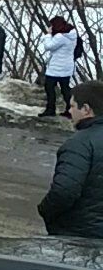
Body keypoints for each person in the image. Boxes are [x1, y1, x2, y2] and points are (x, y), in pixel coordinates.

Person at [38, 80, 103, 237]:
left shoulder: (80, 143)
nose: (69, 111)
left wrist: (44, 210)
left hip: (79, 234)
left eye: (72, 106)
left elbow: (64, 191)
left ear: (86, 109)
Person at [41, 16, 80, 117]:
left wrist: (48, 35)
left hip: (56, 67)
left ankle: (50, 109)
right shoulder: (72, 34)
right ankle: (70, 109)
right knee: (65, 89)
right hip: (67, 66)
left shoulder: (60, 37)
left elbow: (48, 46)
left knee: (49, 87)